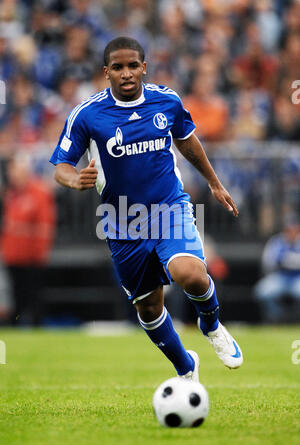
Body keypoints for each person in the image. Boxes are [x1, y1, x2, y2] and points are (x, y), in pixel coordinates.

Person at [50, 37, 243, 381]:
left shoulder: (166, 101)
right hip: (121, 220)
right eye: (119, 68)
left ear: (144, 68)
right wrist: (75, 179)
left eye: (133, 66)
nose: (127, 73)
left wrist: (214, 183)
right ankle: (186, 367)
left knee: (192, 274)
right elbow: (62, 165)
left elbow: (186, 139)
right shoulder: (87, 114)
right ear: (106, 72)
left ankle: (212, 325)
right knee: (149, 307)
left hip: (169, 208)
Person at [0, 155, 56, 326]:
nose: (14, 176)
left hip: (32, 256)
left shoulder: (39, 192)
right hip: (13, 255)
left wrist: (40, 252)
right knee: (17, 294)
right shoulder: (11, 194)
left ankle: (36, 325)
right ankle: (17, 324)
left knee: (34, 294)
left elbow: (45, 226)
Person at [254, 216, 300, 323]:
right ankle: (278, 318)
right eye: (289, 230)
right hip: (281, 277)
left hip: (298, 278)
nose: (292, 232)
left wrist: (288, 260)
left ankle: (296, 319)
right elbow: (269, 262)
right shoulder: (277, 242)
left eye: (295, 229)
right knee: (262, 292)